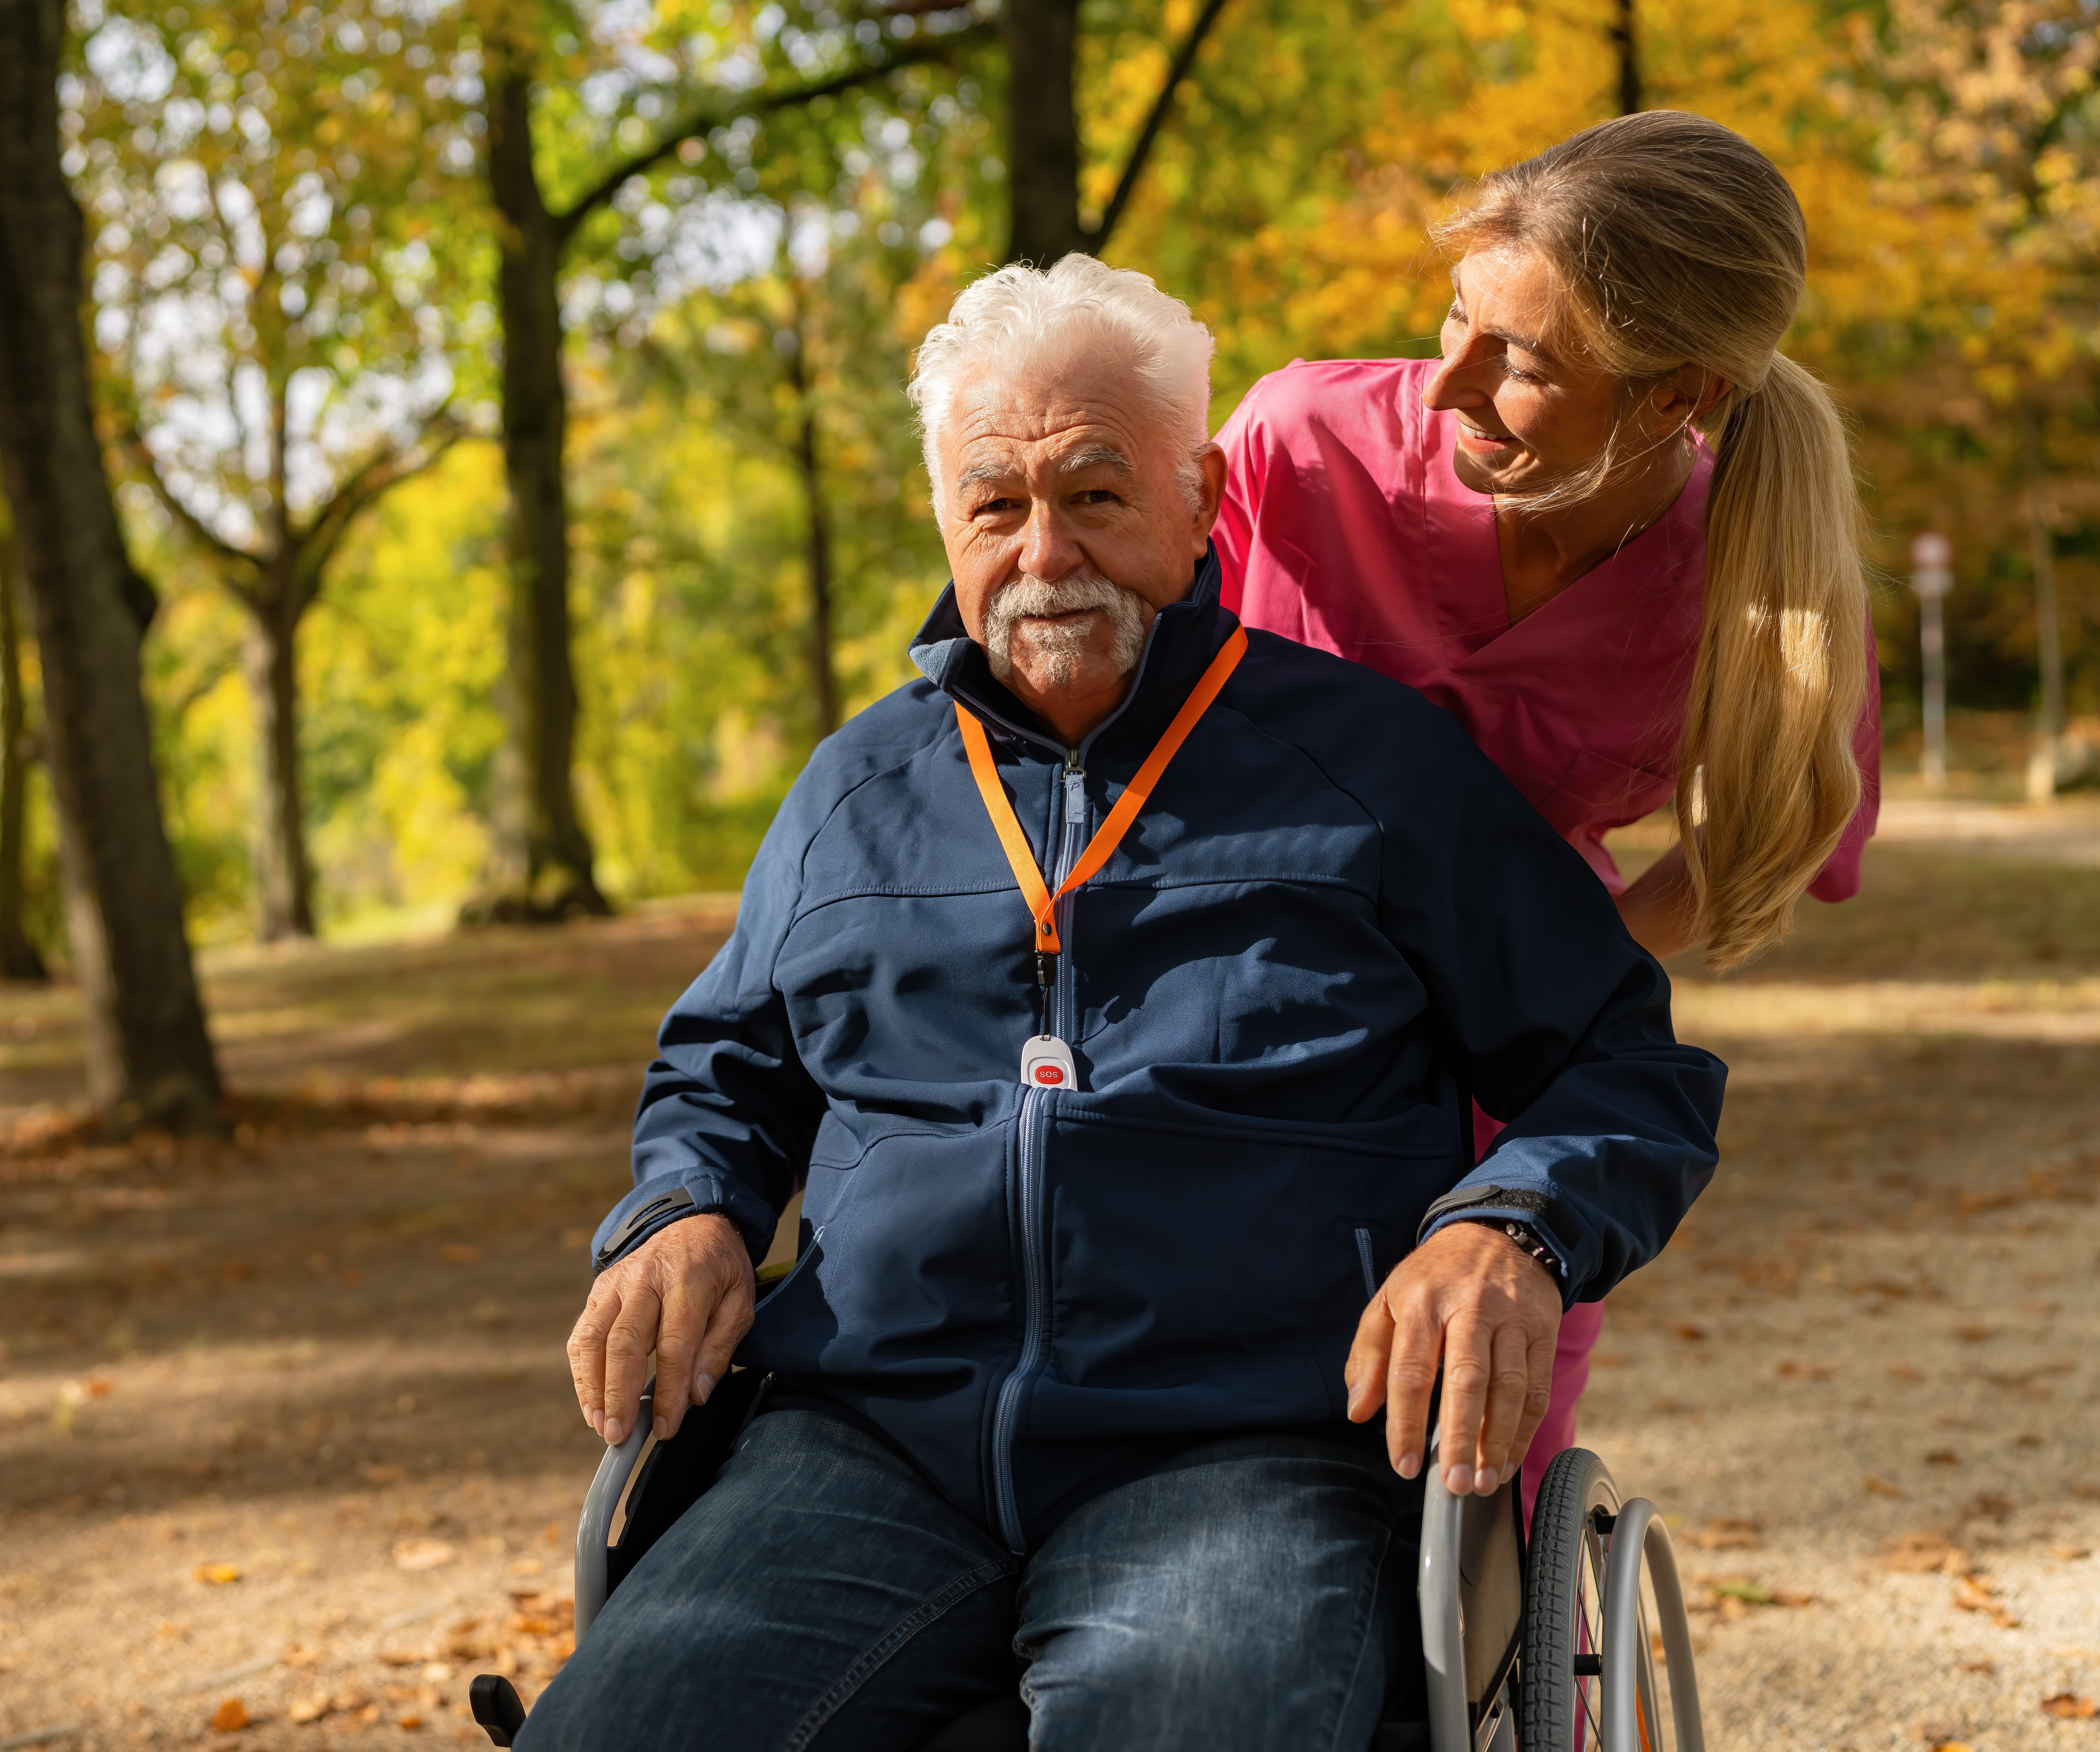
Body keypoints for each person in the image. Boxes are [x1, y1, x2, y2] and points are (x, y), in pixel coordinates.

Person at [518, 255, 1723, 1751]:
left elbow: (1617, 1063)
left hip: (1245, 1440)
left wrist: (1512, 1225)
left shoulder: (1369, 767)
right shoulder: (852, 791)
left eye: (1094, 494)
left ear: (1200, 493)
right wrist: (684, 1202)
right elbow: (726, 1063)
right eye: (993, 504)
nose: (1043, 551)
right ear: (943, 521)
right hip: (869, 1437)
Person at [1211, 110, 1880, 1501]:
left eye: (1518, 361)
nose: (1448, 380)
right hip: (1250, 1018)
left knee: (1471, 1482)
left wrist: (1586, 970)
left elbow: (1783, 824)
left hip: (1522, 1083)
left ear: (1675, 397)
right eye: (1454, 317)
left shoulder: (1755, 575)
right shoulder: (1302, 441)